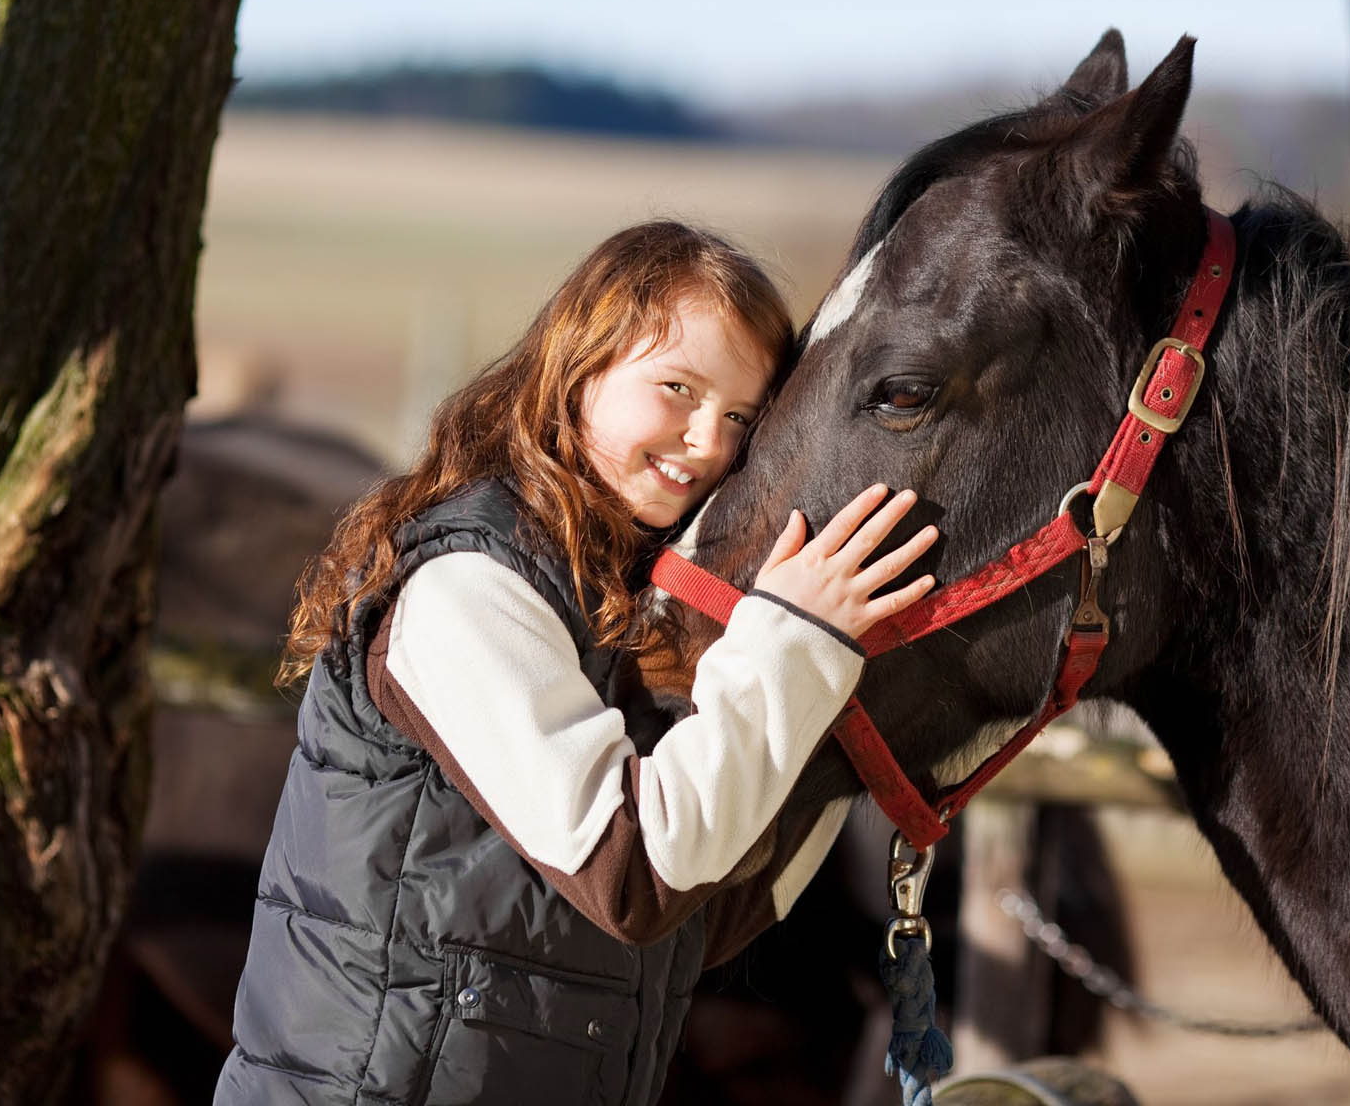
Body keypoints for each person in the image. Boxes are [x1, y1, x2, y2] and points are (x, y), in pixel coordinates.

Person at [214, 221, 937, 1106]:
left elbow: (693, 919)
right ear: (579, 368)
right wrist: (794, 646)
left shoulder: (621, 602)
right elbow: (636, 874)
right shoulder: (468, 587)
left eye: (742, 416)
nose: (708, 442)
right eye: (677, 387)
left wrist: (861, 711)